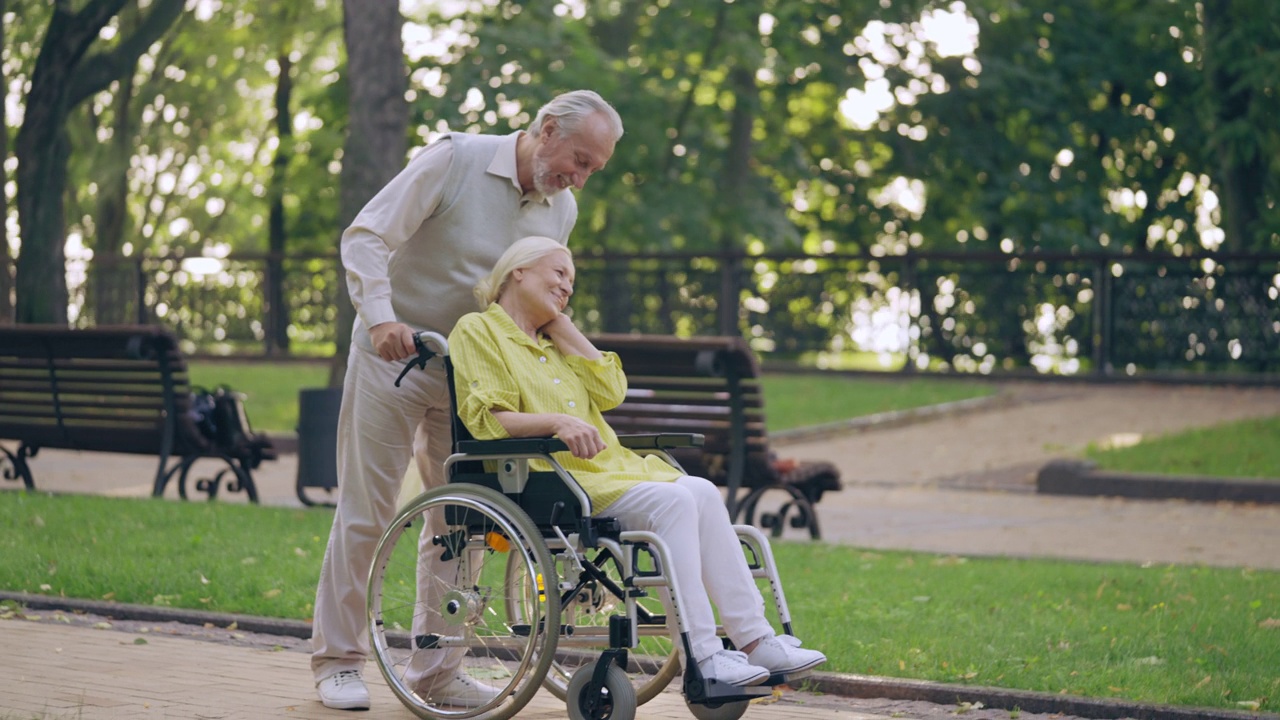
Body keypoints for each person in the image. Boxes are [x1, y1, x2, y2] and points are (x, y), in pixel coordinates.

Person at [312, 91, 624, 711]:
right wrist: (380, 319)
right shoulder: (455, 161)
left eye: (593, 169)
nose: (579, 179)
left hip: (476, 379)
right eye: (578, 160)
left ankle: (437, 671)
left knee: (464, 523)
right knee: (367, 512)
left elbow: (529, 299)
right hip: (394, 360)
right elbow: (367, 237)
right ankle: (338, 660)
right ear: (545, 129)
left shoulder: (560, 210)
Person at [447, 235, 828, 688]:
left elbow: (611, 391)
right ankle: (703, 658)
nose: (568, 286)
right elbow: (488, 419)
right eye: (560, 273)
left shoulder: (553, 342)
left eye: (572, 281)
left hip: (608, 471)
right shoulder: (478, 330)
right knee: (674, 504)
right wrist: (556, 422)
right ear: (519, 271)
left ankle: (754, 639)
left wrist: (566, 331)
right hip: (548, 479)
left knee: (701, 490)